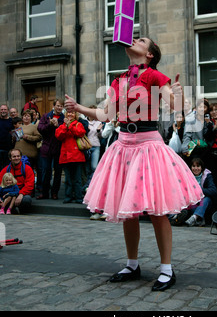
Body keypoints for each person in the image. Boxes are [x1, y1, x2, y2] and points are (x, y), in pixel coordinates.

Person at [64, 37, 204, 292]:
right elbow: (106, 114)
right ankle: (132, 264)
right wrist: (78, 107)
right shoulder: (119, 80)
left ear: (149, 54)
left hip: (148, 145)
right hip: (123, 145)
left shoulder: (154, 76)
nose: (134, 40)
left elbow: (174, 106)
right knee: (128, 211)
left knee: (157, 211)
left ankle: (166, 269)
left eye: (141, 40)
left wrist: (179, 96)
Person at [55, 110, 86, 204]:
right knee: (68, 179)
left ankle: (78, 197)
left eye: (72, 113)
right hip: (66, 156)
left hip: (76, 156)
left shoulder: (78, 124)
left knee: (77, 179)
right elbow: (59, 136)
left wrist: (70, 126)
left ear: (75, 115)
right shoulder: (62, 126)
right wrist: (65, 126)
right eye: (68, 113)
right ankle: (68, 196)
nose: (70, 114)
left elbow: (80, 133)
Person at [37, 99, 65, 200]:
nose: (59, 108)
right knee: (46, 172)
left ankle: (54, 193)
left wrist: (58, 126)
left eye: (61, 106)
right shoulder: (46, 116)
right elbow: (40, 128)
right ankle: (44, 193)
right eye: (58, 105)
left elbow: (65, 132)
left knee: (58, 172)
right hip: (46, 148)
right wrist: (49, 124)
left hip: (58, 149)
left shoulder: (64, 118)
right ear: (54, 106)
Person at [184, 157, 217, 227]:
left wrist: (199, 190)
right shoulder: (187, 176)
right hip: (192, 202)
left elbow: (213, 191)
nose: (196, 168)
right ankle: (199, 219)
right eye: (193, 166)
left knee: (207, 198)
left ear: (202, 168)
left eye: (198, 166)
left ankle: (195, 217)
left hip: (205, 203)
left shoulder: (207, 176)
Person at [0, 149, 35, 213]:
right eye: (14, 156)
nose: (16, 158)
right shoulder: (5, 170)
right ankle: (11, 209)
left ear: (21, 157)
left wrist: (21, 194)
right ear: (10, 158)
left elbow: (30, 184)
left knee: (26, 200)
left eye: (18, 156)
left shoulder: (27, 169)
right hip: (7, 193)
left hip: (22, 193)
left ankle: (13, 209)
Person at [0, 104, 13, 170]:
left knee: (7, 168)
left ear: (8, 111)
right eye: (1, 109)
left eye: (5, 109)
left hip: (8, 149)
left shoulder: (11, 121)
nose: (3, 111)